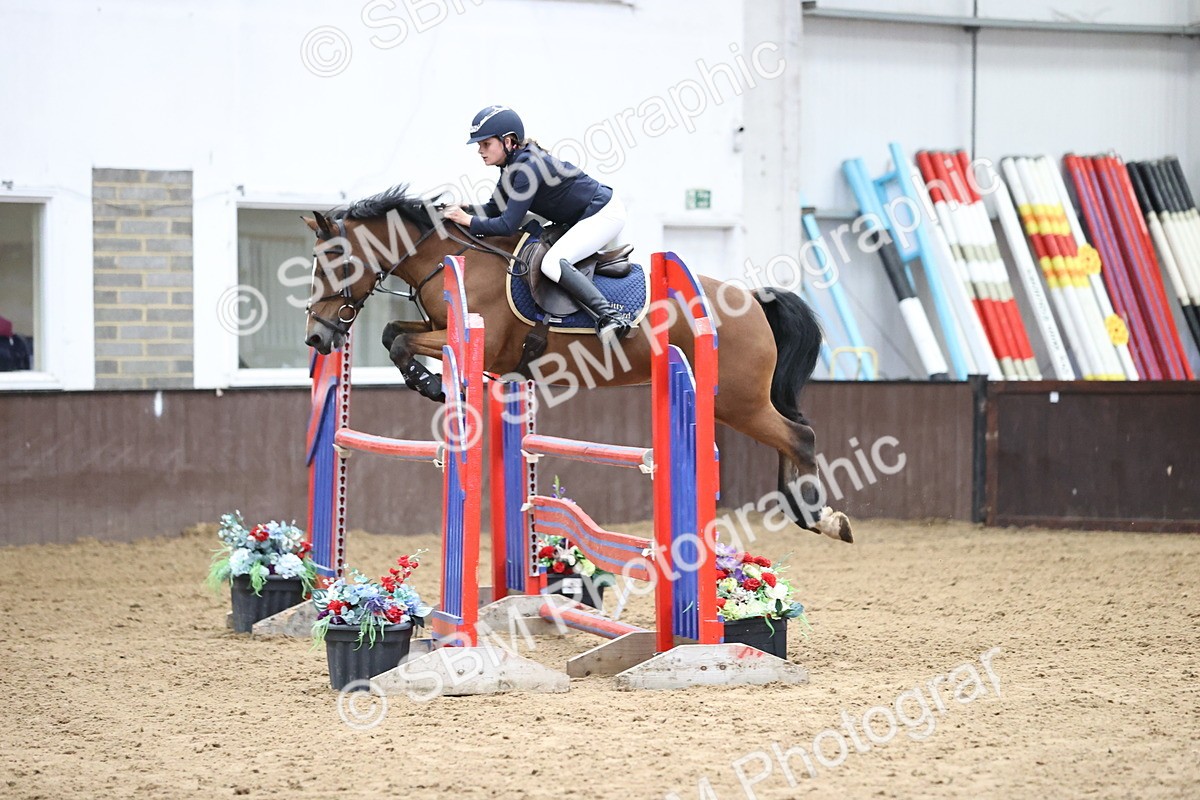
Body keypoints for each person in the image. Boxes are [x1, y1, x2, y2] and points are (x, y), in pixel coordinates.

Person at [443, 105, 630, 342]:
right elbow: (493, 209)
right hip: (583, 216)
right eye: (480, 146)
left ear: (508, 141)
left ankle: (609, 316)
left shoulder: (527, 167)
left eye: (485, 144)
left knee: (552, 263)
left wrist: (468, 220)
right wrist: (464, 210)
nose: (480, 151)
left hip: (603, 213)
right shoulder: (511, 167)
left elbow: (507, 225)